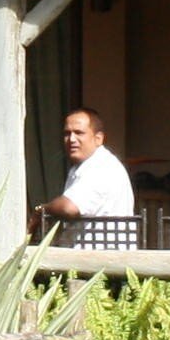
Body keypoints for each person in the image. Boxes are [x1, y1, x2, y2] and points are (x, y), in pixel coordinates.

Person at [32, 107, 139, 250]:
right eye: (67, 133)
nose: (71, 139)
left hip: (102, 263)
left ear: (98, 138)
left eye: (79, 133)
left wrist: (42, 210)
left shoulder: (102, 167)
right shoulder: (83, 167)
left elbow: (69, 208)